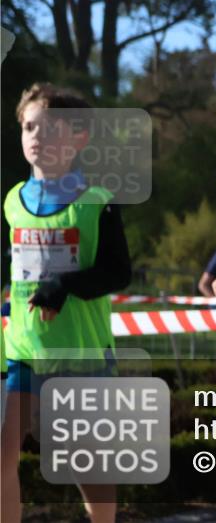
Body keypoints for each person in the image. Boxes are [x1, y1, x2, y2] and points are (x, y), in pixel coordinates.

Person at [1, 83, 132, 523]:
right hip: (22, 349)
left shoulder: (97, 201)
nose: (36, 136)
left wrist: (66, 285)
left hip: (79, 351)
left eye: (51, 128)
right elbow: (18, 269)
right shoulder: (12, 201)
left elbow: (119, 273)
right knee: (3, 453)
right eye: (29, 126)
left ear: (79, 138)